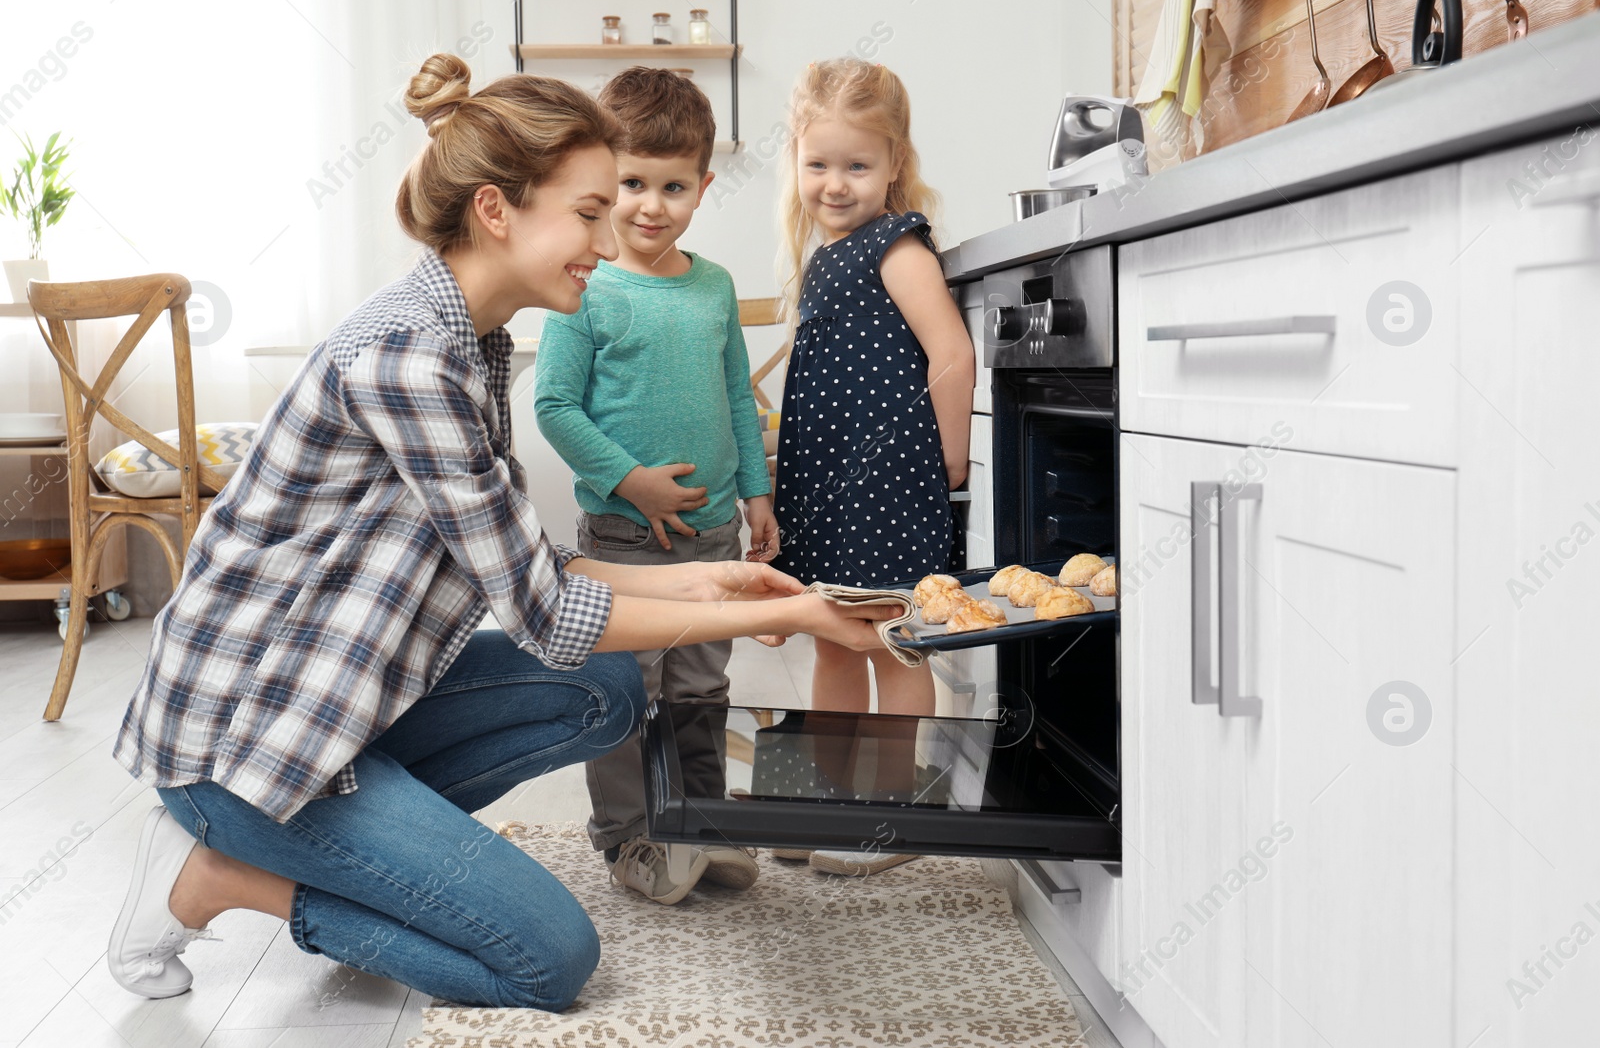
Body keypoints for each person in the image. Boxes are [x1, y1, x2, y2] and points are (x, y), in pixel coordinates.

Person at [104, 53, 900, 1011]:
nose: (607, 241)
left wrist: (714, 582)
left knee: (604, 691)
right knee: (547, 958)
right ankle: (223, 873)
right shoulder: (408, 359)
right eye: (590, 211)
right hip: (245, 748)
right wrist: (801, 613)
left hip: (335, 713)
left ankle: (374, 856)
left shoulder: (473, 343)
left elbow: (528, 563)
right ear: (497, 210)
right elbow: (544, 610)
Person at [534, 67, 775, 905]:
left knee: (703, 688)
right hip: (626, 541)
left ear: (703, 187)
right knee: (626, 691)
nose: (650, 205)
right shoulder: (583, 286)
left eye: (674, 187)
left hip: (715, 534)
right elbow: (554, 405)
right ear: (605, 182)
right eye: (632, 183)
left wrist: (757, 494)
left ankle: (701, 825)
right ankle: (630, 839)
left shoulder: (712, 287)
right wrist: (631, 480)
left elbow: (739, 399)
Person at [769, 58, 975, 876]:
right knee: (832, 643)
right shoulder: (824, 258)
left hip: (890, 481)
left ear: (895, 164)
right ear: (796, 161)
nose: (836, 183)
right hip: (830, 486)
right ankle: (827, 799)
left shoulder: (898, 243)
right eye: (819, 164)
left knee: (896, 644)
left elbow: (950, 354)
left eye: (858, 165)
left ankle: (890, 818)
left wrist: (949, 461)